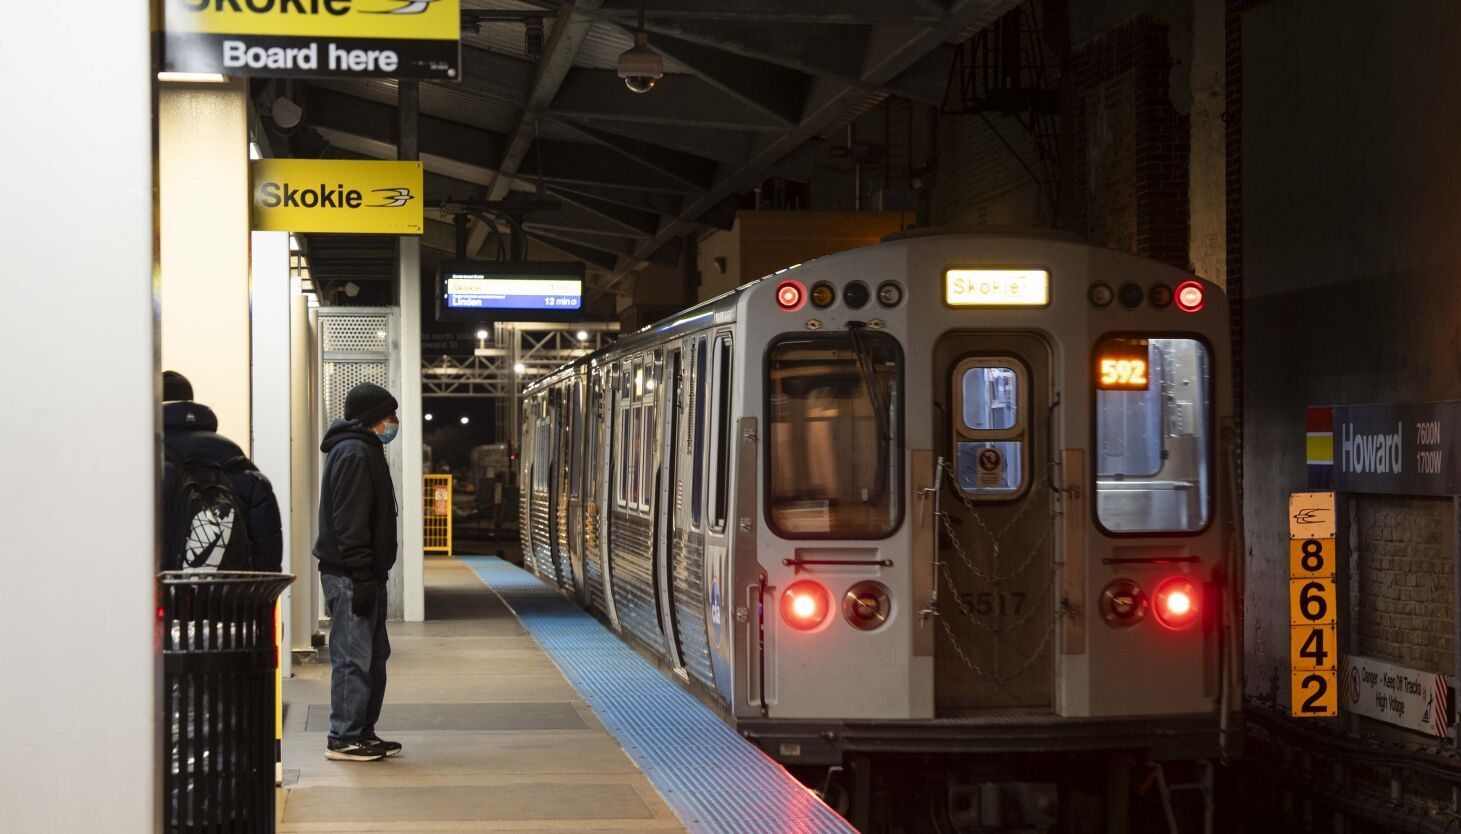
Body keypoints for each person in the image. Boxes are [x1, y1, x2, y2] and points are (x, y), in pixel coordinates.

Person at [314, 381, 402, 762]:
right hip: (351, 576)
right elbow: (350, 521)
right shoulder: (353, 453)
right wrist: (363, 573)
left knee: (373, 655)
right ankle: (344, 737)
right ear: (372, 419)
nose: (393, 423)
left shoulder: (363, 450)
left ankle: (362, 732)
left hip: (363, 574)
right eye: (389, 416)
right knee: (354, 657)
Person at [162, 370, 283, 572]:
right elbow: (267, 556)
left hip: (168, 598)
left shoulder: (148, 464)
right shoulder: (237, 462)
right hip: (233, 600)